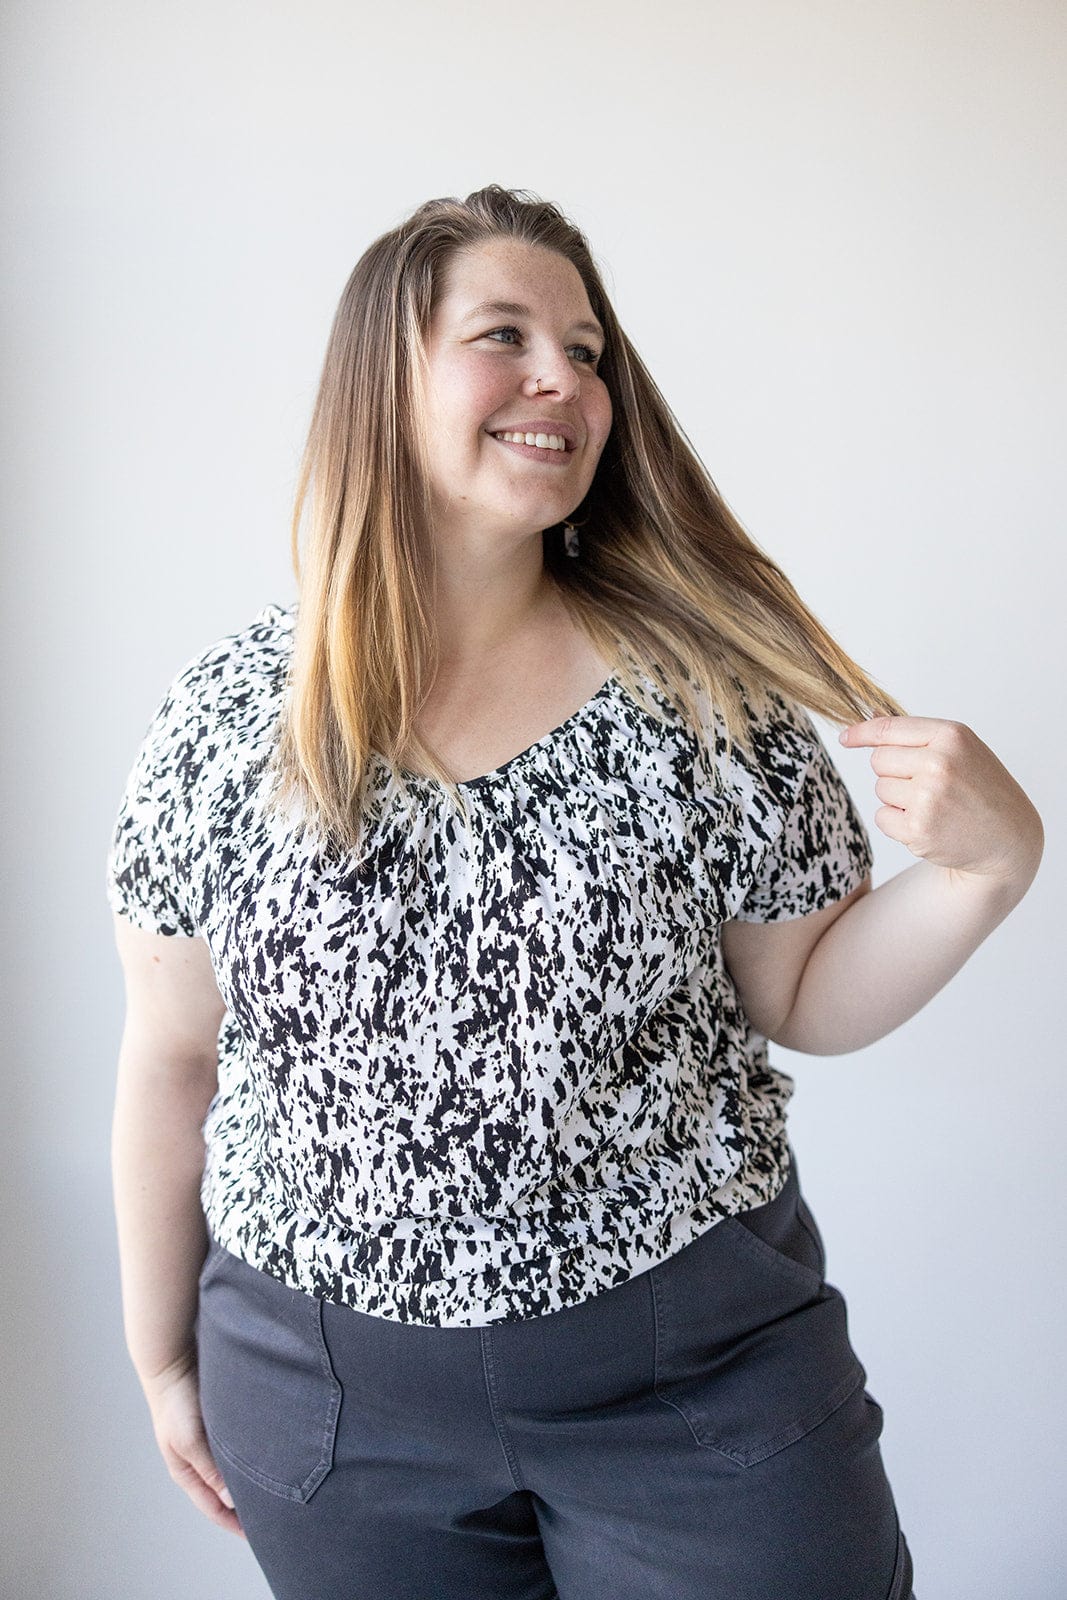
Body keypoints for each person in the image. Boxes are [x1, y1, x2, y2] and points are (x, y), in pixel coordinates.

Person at [106, 185, 1042, 1600]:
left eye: (591, 350)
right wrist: (160, 1353)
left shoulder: (702, 693)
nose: (567, 379)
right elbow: (174, 1058)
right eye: (506, 335)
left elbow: (799, 992)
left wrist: (986, 870)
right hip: (332, 1405)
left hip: (699, 1387)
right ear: (386, 382)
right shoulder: (234, 720)